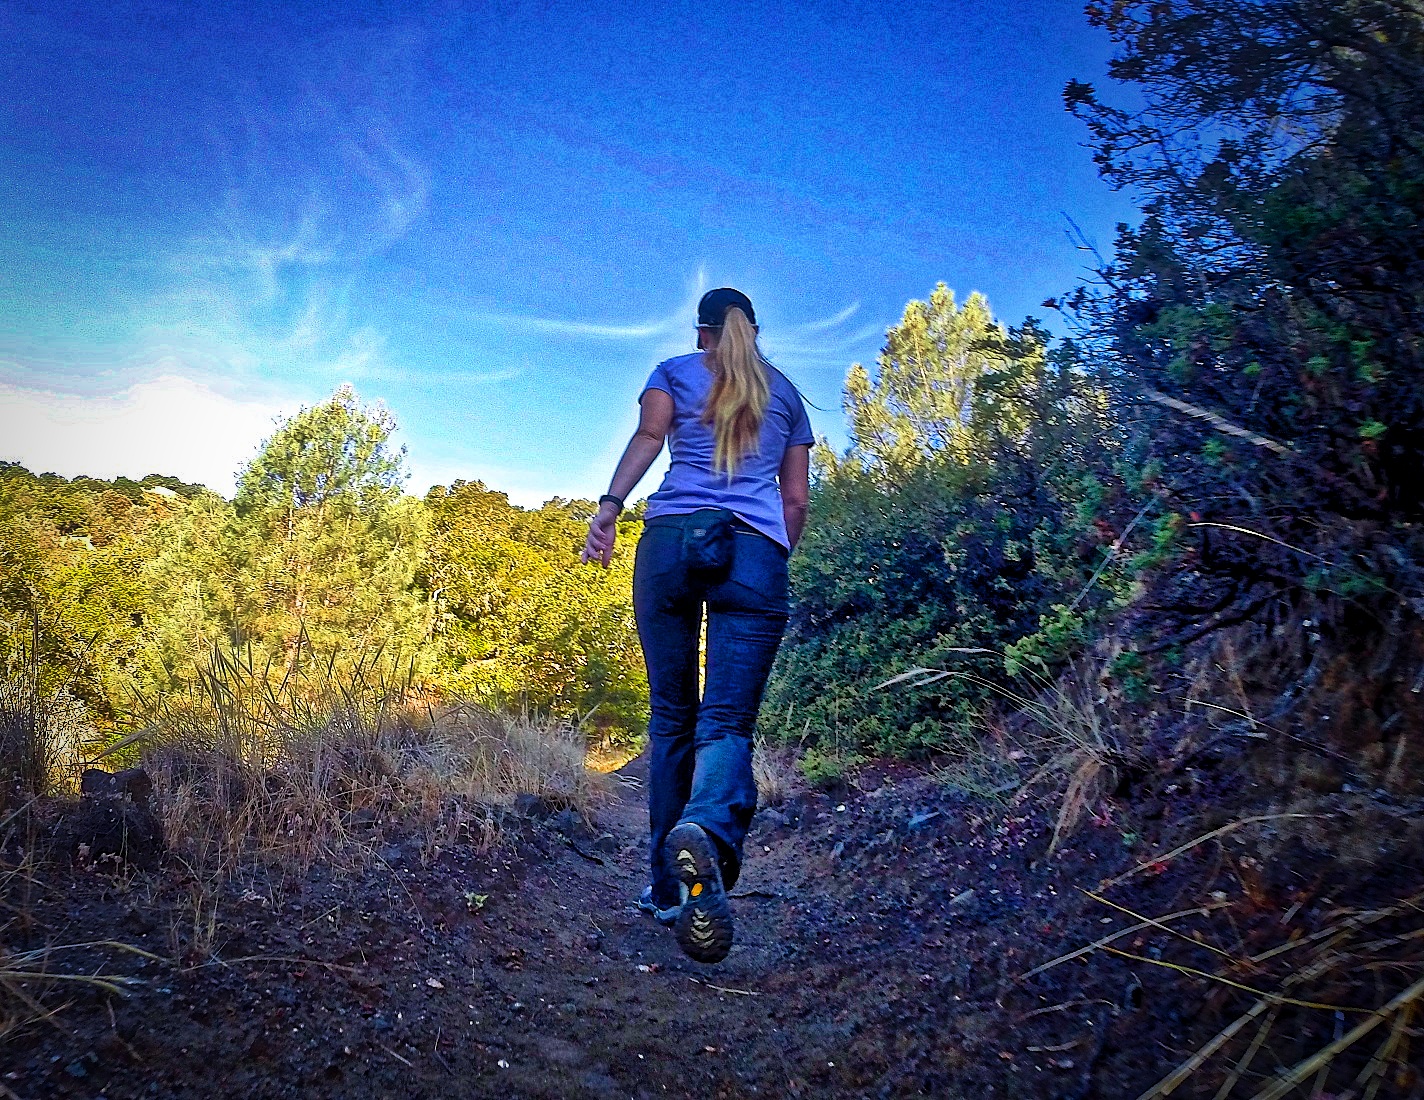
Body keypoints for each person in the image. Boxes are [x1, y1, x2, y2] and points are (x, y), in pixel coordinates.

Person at [581, 287, 813, 964]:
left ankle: (666, 888)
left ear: (702, 332)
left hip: (669, 546)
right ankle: (707, 830)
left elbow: (649, 438)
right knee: (727, 723)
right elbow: (796, 500)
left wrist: (609, 506)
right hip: (753, 550)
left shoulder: (673, 372)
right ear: (753, 330)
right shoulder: (786, 394)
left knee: (671, 719)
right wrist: (769, 556)